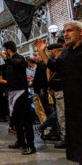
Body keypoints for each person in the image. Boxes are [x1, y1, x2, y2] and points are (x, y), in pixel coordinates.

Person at [34, 21, 82, 163]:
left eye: (69, 31)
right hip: (72, 103)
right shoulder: (67, 53)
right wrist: (42, 52)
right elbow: (54, 66)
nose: (65, 34)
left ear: (80, 32)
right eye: (64, 31)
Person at [0, 41, 36, 155]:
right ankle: (21, 142)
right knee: (16, 120)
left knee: (25, 120)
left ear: (8, 49)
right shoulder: (8, 63)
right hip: (12, 93)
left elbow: (12, 62)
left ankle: (31, 146)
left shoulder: (20, 58)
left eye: (4, 49)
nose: (3, 51)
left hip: (21, 93)